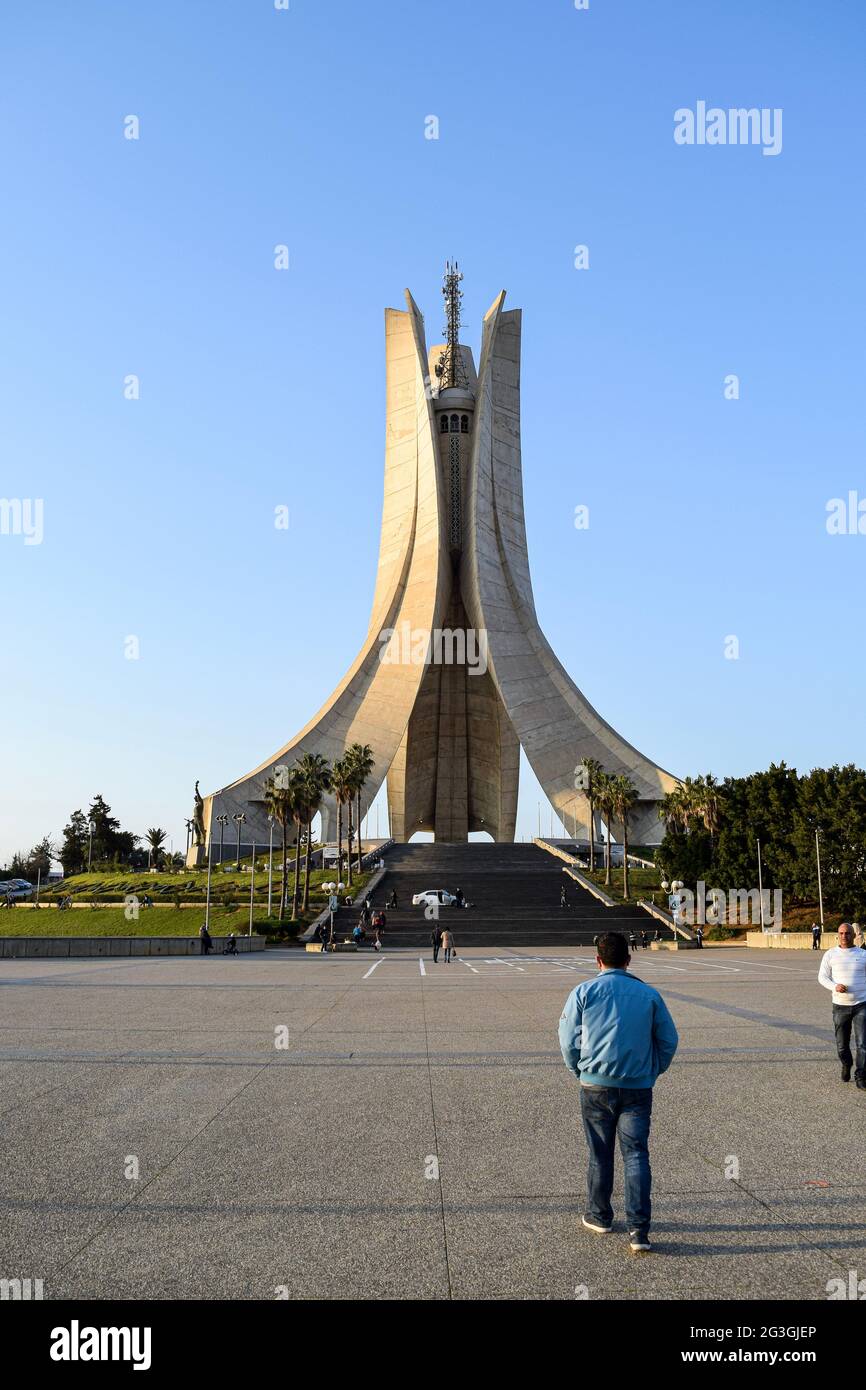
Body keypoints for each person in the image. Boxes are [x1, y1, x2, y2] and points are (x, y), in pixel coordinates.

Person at [558, 930, 679, 1254]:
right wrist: (654, 1070)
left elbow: (568, 1040)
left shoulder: (583, 992)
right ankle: (639, 1230)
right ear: (629, 959)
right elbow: (669, 1040)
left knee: (600, 1153)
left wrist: (579, 1070)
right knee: (636, 1154)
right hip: (637, 1086)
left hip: (595, 1084)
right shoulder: (649, 994)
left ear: (597, 960)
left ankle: (600, 1216)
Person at [818, 922, 866, 1087]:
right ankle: (846, 1063)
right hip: (840, 1005)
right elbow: (822, 977)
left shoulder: (863, 954)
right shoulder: (830, 954)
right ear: (837, 935)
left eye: (847, 933)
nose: (844, 936)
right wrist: (835, 986)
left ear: (854, 935)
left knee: (863, 1044)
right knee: (841, 1045)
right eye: (841, 933)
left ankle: (860, 1076)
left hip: (862, 1004)